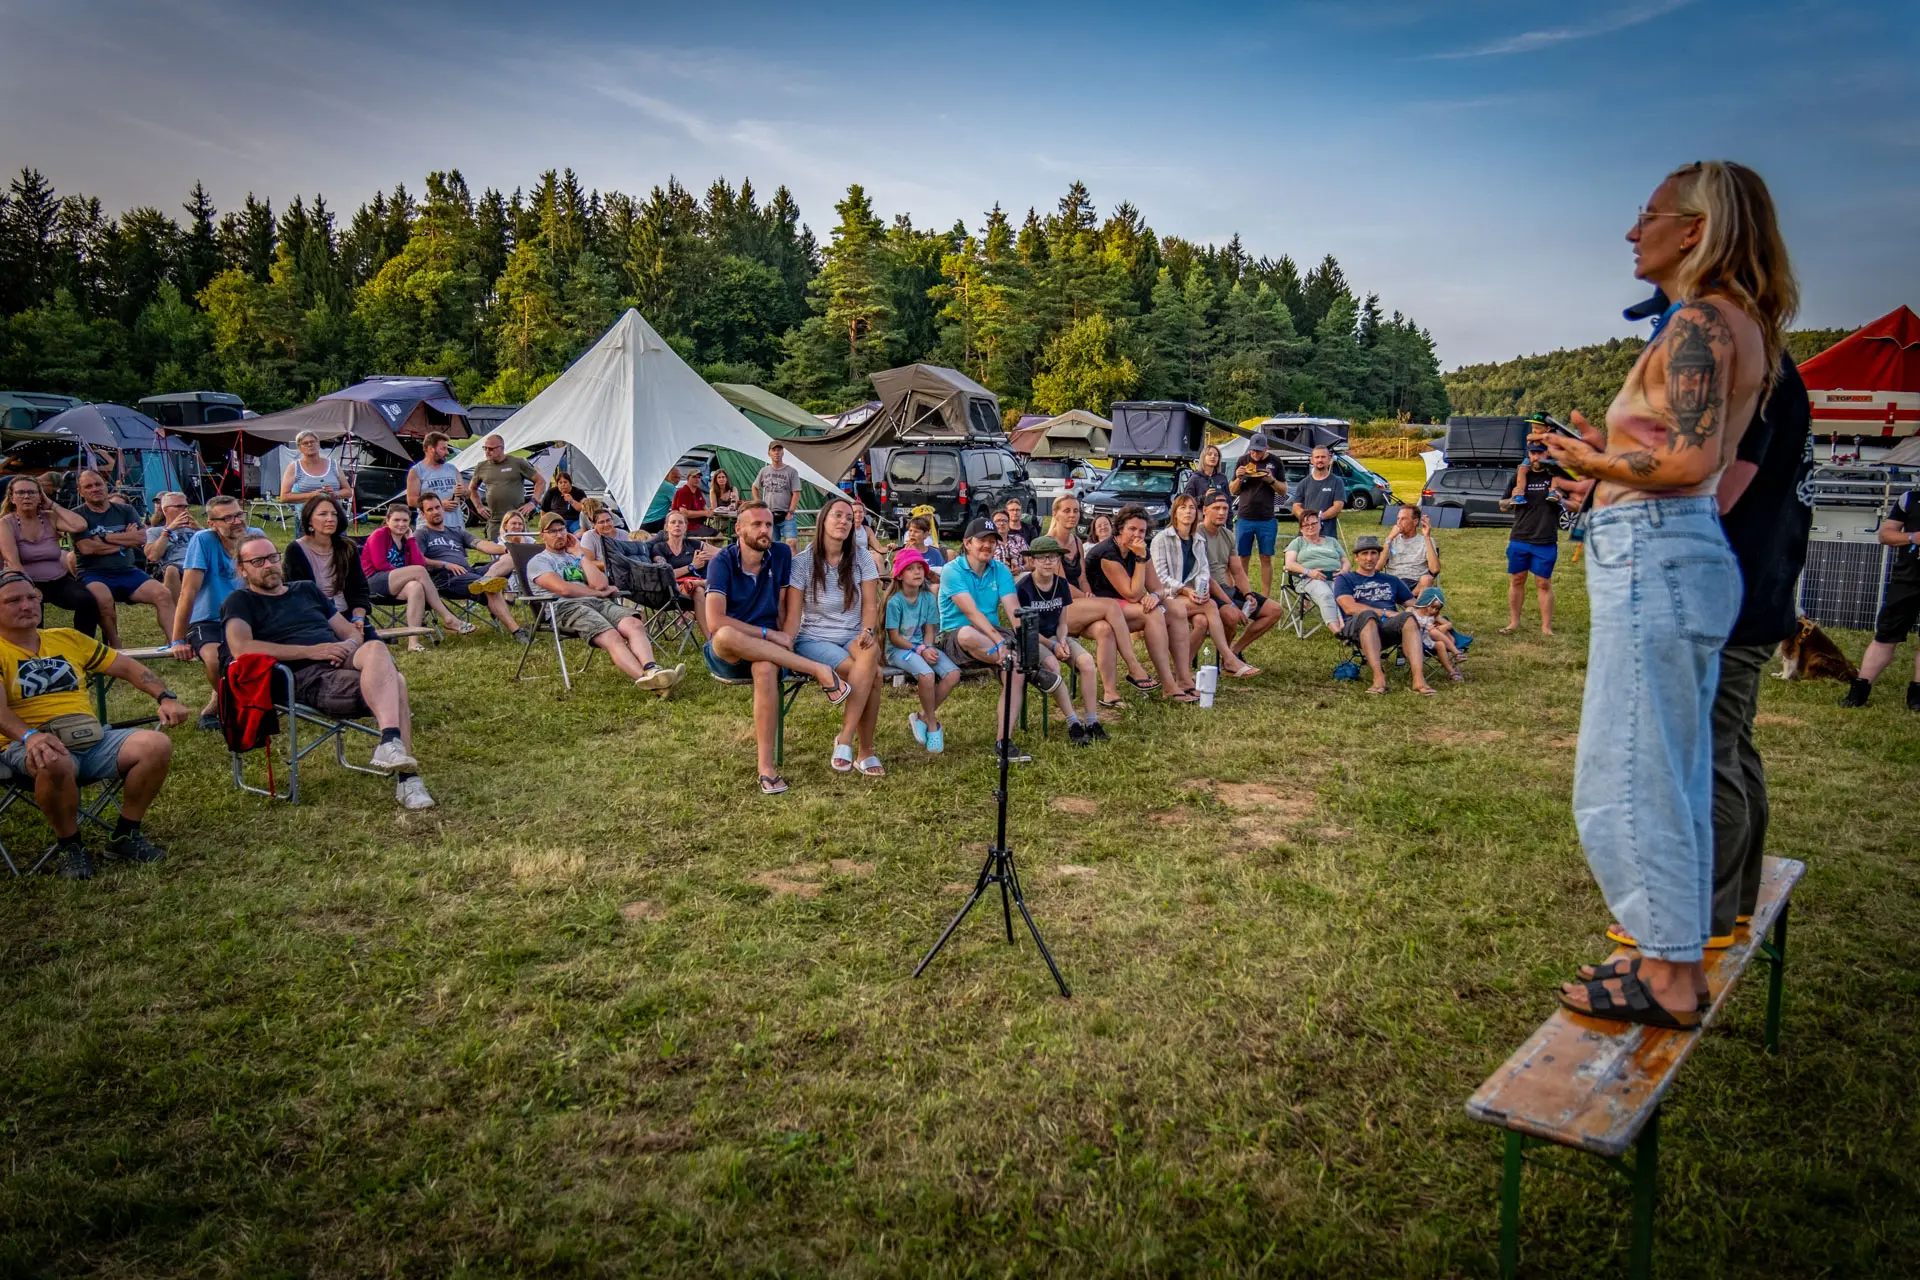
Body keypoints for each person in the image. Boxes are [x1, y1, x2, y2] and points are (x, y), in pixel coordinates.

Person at [1539, 161, 1796, 1029]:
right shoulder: (1741, 322)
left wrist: (1594, 462)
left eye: (1646, 214)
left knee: (1628, 769)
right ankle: (1669, 958)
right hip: (1678, 551)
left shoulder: (1699, 322)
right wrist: (1607, 455)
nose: (1630, 230)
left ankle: (1668, 977)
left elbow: (1685, 464)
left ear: (1694, 228)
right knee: (1675, 768)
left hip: (1655, 551)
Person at [223, 537, 435, 810]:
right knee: (399, 682)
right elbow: (242, 649)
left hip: (338, 658)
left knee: (375, 648)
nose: (269, 565)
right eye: (257, 561)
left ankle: (390, 741)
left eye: (273, 557)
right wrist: (313, 651)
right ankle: (407, 778)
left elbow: (348, 631)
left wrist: (345, 646)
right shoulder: (240, 601)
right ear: (242, 569)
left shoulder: (306, 590)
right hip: (303, 675)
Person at [0, 571, 187, 878]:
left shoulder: (66, 638)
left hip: (89, 736)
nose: (27, 605)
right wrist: (30, 736)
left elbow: (126, 666)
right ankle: (71, 846)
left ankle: (125, 836)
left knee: (156, 745)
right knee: (53, 760)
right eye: (14, 600)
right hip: (24, 743)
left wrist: (164, 696)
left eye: (32, 597)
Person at [702, 502, 855, 795]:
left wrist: (786, 635)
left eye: (769, 525)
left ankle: (766, 768)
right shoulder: (722, 561)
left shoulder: (781, 555)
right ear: (738, 529)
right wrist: (767, 633)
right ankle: (817, 669)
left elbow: (787, 607)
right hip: (731, 651)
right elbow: (714, 620)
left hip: (771, 651)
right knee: (724, 634)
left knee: (765, 667)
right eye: (756, 524)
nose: (764, 530)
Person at [527, 513, 684, 692]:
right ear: (542, 535)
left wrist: (580, 554)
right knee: (611, 636)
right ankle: (648, 681)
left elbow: (601, 583)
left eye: (561, 530)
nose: (559, 535)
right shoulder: (538, 562)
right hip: (565, 608)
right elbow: (563, 589)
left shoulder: (575, 558)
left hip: (596, 602)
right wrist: (596, 593)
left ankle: (652, 670)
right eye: (552, 531)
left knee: (634, 624)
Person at [788, 496, 884, 776]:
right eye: (837, 516)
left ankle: (845, 738)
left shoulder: (862, 558)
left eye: (848, 517)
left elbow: (869, 605)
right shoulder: (802, 562)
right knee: (873, 674)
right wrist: (786, 641)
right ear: (822, 521)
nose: (844, 521)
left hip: (853, 634)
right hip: (814, 638)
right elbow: (794, 615)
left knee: (869, 652)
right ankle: (865, 751)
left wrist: (867, 630)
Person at [937, 517, 1035, 757]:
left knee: (1015, 674)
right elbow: (971, 613)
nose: (987, 546)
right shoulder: (953, 570)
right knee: (971, 634)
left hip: (991, 637)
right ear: (967, 543)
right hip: (955, 634)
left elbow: (1013, 610)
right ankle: (1014, 660)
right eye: (982, 540)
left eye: (992, 541)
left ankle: (1004, 741)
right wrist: (1000, 642)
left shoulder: (999, 569)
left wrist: (1023, 637)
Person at [1086, 505, 1198, 703]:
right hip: (1100, 607)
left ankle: (1184, 679)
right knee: (1151, 613)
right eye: (1132, 529)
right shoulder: (1107, 553)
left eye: (1142, 531)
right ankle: (1168, 685)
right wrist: (1140, 559)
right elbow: (1133, 594)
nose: (1137, 535)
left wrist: (1155, 595)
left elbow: (1159, 588)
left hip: (1123, 608)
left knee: (1176, 609)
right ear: (1120, 528)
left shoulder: (1139, 548)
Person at [167, 495, 258, 729]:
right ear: (211, 523)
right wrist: (177, 639)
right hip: (208, 618)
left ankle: (229, 702)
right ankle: (227, 703)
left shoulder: (256, 537)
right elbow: (188, 590)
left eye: (238, 514)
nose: (237, 521)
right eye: (227, 518)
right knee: (216, 661)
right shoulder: (203, 540)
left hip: (248, 616)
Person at [1043, 494, 1141, 707]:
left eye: (1076, 511)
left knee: (1104, 628)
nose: (1072, 515)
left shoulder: (1076, 541)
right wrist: (1089, 599)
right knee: (1111, 604)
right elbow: (1061, 585)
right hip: (1056, 608)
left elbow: (1082, 579)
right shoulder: (1049, 543)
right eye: (1066, 510)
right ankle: (1134, 667)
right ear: (1055, 514)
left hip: (1077, 605)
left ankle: (1110, 694)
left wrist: (1089, 595)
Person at [1152, 494, 1259, 678]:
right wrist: (1186, 590)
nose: (1188, 511)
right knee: (1210, 606)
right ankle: (1229, 658)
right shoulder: (1162, 539)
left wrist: (1201, 592)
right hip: (1166, 596)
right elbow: (1160, 577)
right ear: (1175, 513)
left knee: (1201, 621)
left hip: (1191, 597)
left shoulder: (1197, 540)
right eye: (1183, 507)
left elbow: (1203, 572)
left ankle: (1181, 670)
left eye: (1192, 508)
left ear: (1197, 513)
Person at [1017, 535, 1106, 745]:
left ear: (1058, 560)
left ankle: (1092, 721)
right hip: (1034, 640)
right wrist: (1053, 645)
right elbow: (1027, 628)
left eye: (1053, 557)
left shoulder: (1062, 584)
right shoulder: (1024, 588)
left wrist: (1063, 640)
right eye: (1042, 558)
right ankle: (1073, 722)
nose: (1048, 562)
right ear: (1033, 561)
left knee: (1086, 662)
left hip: (1057, 636)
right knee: (1052, 665)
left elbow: (1063, 621)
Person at [1840, 481, 1920, 710]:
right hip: (1907, 579)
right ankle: (1860, 690)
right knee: (1886, 635)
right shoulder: (1910, 499)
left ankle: (1916, 696)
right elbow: (1886, 534)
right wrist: (1913, 537)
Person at [72, 469, 174, 646]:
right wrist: (124, 543)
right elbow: (87, 548)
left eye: (98, 484)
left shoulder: (125, 509)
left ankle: (175, 643)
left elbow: (141, 538)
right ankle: (116, 647)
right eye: (88, 486)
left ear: (106, 486)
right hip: (93, 573)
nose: (95, 489)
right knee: (103, 600)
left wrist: (105, 538)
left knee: (163, 593)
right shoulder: (77, 515)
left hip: (128, 571)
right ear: (80, 492)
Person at [359, 506, 475, 650]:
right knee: (418, 572)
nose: (401, 524)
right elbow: (380, 564)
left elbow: (419, 563)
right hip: (373, 582)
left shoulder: (407, 540)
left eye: (405, 520)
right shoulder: (379, 535)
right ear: (387, 521)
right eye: (396, 520)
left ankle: (413, 642)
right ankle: (448, 617)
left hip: (397, 584)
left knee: (416, 587)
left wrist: (412, 540)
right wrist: (408, 574)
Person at [1332, 536, 1433, 696]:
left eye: (1373, 553)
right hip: (1358, 626)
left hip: (1388, 627)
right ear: (1356, 557)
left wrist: (1431, 609)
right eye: (1364, 553)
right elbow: (1349, 607)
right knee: (1369, 615)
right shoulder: (1345, 579)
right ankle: (1379, 677)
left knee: (1408, 618)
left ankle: (1418, 679)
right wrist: (1386, 613)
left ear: (1379, 556)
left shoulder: (1391, 580)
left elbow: (1413, 605)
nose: (1369, 557)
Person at [0, 474, 100, 636]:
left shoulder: (50, 517)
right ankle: (35, 650)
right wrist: (29, 589)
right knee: (32, 611)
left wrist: (52, 504)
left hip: (57, 580)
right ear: (12, 498)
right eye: (20, 492)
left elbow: (80, 525)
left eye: (32, 492)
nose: (26, 496)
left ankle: (85, 645)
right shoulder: (6, 523)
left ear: (41, 496)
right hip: (24, 580)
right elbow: (13, 562)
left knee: (87, 601)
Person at [414, 493, 521, 640]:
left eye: (438, 507)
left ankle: (485, 579)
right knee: (491, 587)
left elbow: (481, 545)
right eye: (430, 509)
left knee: (510, 558)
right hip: (447, 579)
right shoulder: (422, 534)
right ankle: (517, 631)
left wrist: (506, 549)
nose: (436, 512)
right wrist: (445, 564)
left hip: (470, 573)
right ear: (422, 513)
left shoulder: (456, 531)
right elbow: (418, 559)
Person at [884, 547, 960, 753]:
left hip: (921, 646)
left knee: (953, 674)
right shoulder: (895, 602)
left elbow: (929, 630)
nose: (917, 572)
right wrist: (919, 650)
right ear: (899, 575)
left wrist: (927, 647)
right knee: (926, 675)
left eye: (920, 568)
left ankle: (922, 717)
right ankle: (933, 725)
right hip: (899, 649)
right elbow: (894, 638)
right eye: (911, 569)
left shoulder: (927, 597)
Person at [1499, 441, 1579, 635]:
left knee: (1543, 582)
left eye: (1540, 453)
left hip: (1545, 538)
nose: (1536, 457)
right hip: (1520, 536)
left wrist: (1562, 501)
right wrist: (1512, 499)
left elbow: (1577, 504)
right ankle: (1514, 622)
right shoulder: (1519, 476)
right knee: (1517, 579)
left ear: (1547, 454)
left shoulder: (1558, 477)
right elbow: (1502, 505)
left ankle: (1546, 627)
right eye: (1533, 453)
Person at [1198, 493, 1282, 656]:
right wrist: (1230, 604)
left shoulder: (1228, 535)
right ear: (1205, 510)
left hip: (1225, 588)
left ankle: (1234, 651)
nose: (1221, 513)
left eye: (1225, 509)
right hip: (1204, 590)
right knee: (1231, 617)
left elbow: (1237, 570)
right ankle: (1225, 657)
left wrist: (1247, 593)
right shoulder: (1197, 534)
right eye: (1216, 508)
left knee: (1274, 610)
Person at [280, 494, 375, 635]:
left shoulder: (347, 547)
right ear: (310, 520)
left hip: (349, 613)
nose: (330, 519)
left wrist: (358, 617)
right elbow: (298, 595)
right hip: (314, 619)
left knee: (374, 647)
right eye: (323, 514)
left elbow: (359, 587)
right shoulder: (296, 550)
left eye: (334, 514)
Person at [1229, 432, 1287, 596]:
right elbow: (1232, 490)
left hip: (1267, 518)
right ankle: (1243, 593)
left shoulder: (1275, 462)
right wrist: (1239, 478)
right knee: (1243, 557)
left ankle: (1265, 596)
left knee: (1266, 557)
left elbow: (1283, 491)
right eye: (1253, 451)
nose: (1255, 454)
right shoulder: (1243, 461)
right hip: (1244, 517)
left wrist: (1271, 481)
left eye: (1259, 451)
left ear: (1266, 448)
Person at [648, 509, 715, 634]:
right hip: (673, 589)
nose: (677, 525)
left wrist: (710, 556)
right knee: (698, 589)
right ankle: (710, 639)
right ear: (666, 527)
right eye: (673, 522)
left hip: (698, 583)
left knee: (727, 584)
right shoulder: (660, 548)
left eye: (680, 522)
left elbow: (722, 553)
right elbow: (665, 574)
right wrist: (691, 566)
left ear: (685, 527)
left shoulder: (693, 544)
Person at [469, 435, 545, 540]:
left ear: (502, 448)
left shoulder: (518, 463)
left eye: (491, 449)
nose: (487, 451)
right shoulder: (481, 466)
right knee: (496, 553)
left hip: (517, 520)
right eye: (485, 448)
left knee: (521, 552)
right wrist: (479, 507)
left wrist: (533, 502)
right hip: (495, 521)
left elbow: (540, 481)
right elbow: (472, 488)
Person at [1283, 511, 1349, 631]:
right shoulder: (1298, 542)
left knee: (1342, 595)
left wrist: (1344, 570)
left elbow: (1345, 561)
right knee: (1326, 594)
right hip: (1309, 579)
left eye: (1314, 523)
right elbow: (1289, 564)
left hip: (1335, 577)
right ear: (1301, 529)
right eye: (1306, 525)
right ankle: (1337, 631)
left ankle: (1346, 626)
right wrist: (1309, 572)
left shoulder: (1332, 541)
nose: (1311, 527)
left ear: (1320, 524)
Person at [143, 492, 199, 600]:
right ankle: (178, 613)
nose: (184, 510)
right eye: (179, 506)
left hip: (198, 563)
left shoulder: (197, 529)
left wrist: (200, 529)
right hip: (176, 566)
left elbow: (218, 546)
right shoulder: (155, 531)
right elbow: (153, 556)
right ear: (166, 510)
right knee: (171, 570)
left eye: (186, 506)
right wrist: (168, 530)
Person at [282, 430, 354, 507]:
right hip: (309, 515)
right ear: (299, 448)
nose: (309, 445)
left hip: (333, 514)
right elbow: (284, 497)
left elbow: (348, 492)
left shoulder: (334, 465)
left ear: (318, 444)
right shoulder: (294, 467)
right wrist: (311, 495)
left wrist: (335, 494)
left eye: (312, 442)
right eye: (305, 443)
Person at [1291, 447, 1347, 542]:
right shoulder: (1304, 483)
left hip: (1328, 535)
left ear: (1329, 460)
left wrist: (1319, 518)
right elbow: (1296, 506)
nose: (1320, 460)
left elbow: (1338, 506)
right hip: (1306, 536)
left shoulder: (1337, 482)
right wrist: (1307, 519)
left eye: (1323, 457)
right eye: (1317, 457)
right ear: (1311, 460)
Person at [1382, 505, 1440, 595]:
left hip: (1416, 584)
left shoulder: (1426, 540)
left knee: (1427, 579)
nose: (1399, 522)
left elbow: (1435, 569)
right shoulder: (1392, 540)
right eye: (1398, 519)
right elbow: (1377, 567)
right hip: (1393, 582)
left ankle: (1409, 601)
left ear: (1415, 522)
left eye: (1403, 519)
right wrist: (1389, 538)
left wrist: (1427, 537)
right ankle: (1412, 605)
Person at [1411, 587, 1464, 682]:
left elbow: (1449, 624)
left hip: (1430, 640)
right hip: (1415, 639)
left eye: (1438, 609)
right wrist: (1424, 626)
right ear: (1425, 602)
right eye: (1433, 607)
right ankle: (1456, 653)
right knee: (1433, 631)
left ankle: (1452, 672)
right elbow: (1405, 621)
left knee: (1440, 644)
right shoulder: (1411, 611)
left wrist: (1445, 627)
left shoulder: (1434, 616)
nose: (1434, 610)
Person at [752, 441, 801, 544]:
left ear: (783, 452)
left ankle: (793, 560)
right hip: (769, 515)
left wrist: (791, 512)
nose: (776, 452)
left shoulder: (792, 471)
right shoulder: (764, 471)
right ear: (769, 453)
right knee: (771, 544)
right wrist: (759, 504)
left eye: (779, 450)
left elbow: (796, 493)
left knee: (792, 542)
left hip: (786, 514)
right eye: (774, 450)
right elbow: (755, 487)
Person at [405, 431, 463, 512]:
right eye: (443, 449)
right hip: (430, 523)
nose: (447, 453)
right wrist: (439, 505)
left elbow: (467, 493)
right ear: (431, 449)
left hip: (455, 522)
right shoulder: (417, 471)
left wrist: (464, 492)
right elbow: (411, 500)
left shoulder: (452, 469)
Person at [1183, 443, 1233, 512]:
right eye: (1209, 454)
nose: (1213, 457)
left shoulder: (1222, 478)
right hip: (1200, 520)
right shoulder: (1195, 478)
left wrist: (1229, 522)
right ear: (1203, 457)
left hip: (1219, 518)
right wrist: (1204, 497)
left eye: (1216, 455)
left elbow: (1228, 503)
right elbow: (1186, 502)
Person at [992, 509, 1028, 574]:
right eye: (998, 521)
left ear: (1009, 524)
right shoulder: (988, 543)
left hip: (1017, 576)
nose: (1001, 523)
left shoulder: (1019, 540)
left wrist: (1021, 569)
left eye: (1004, 521)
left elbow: (1031, 563)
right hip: (995, 576)